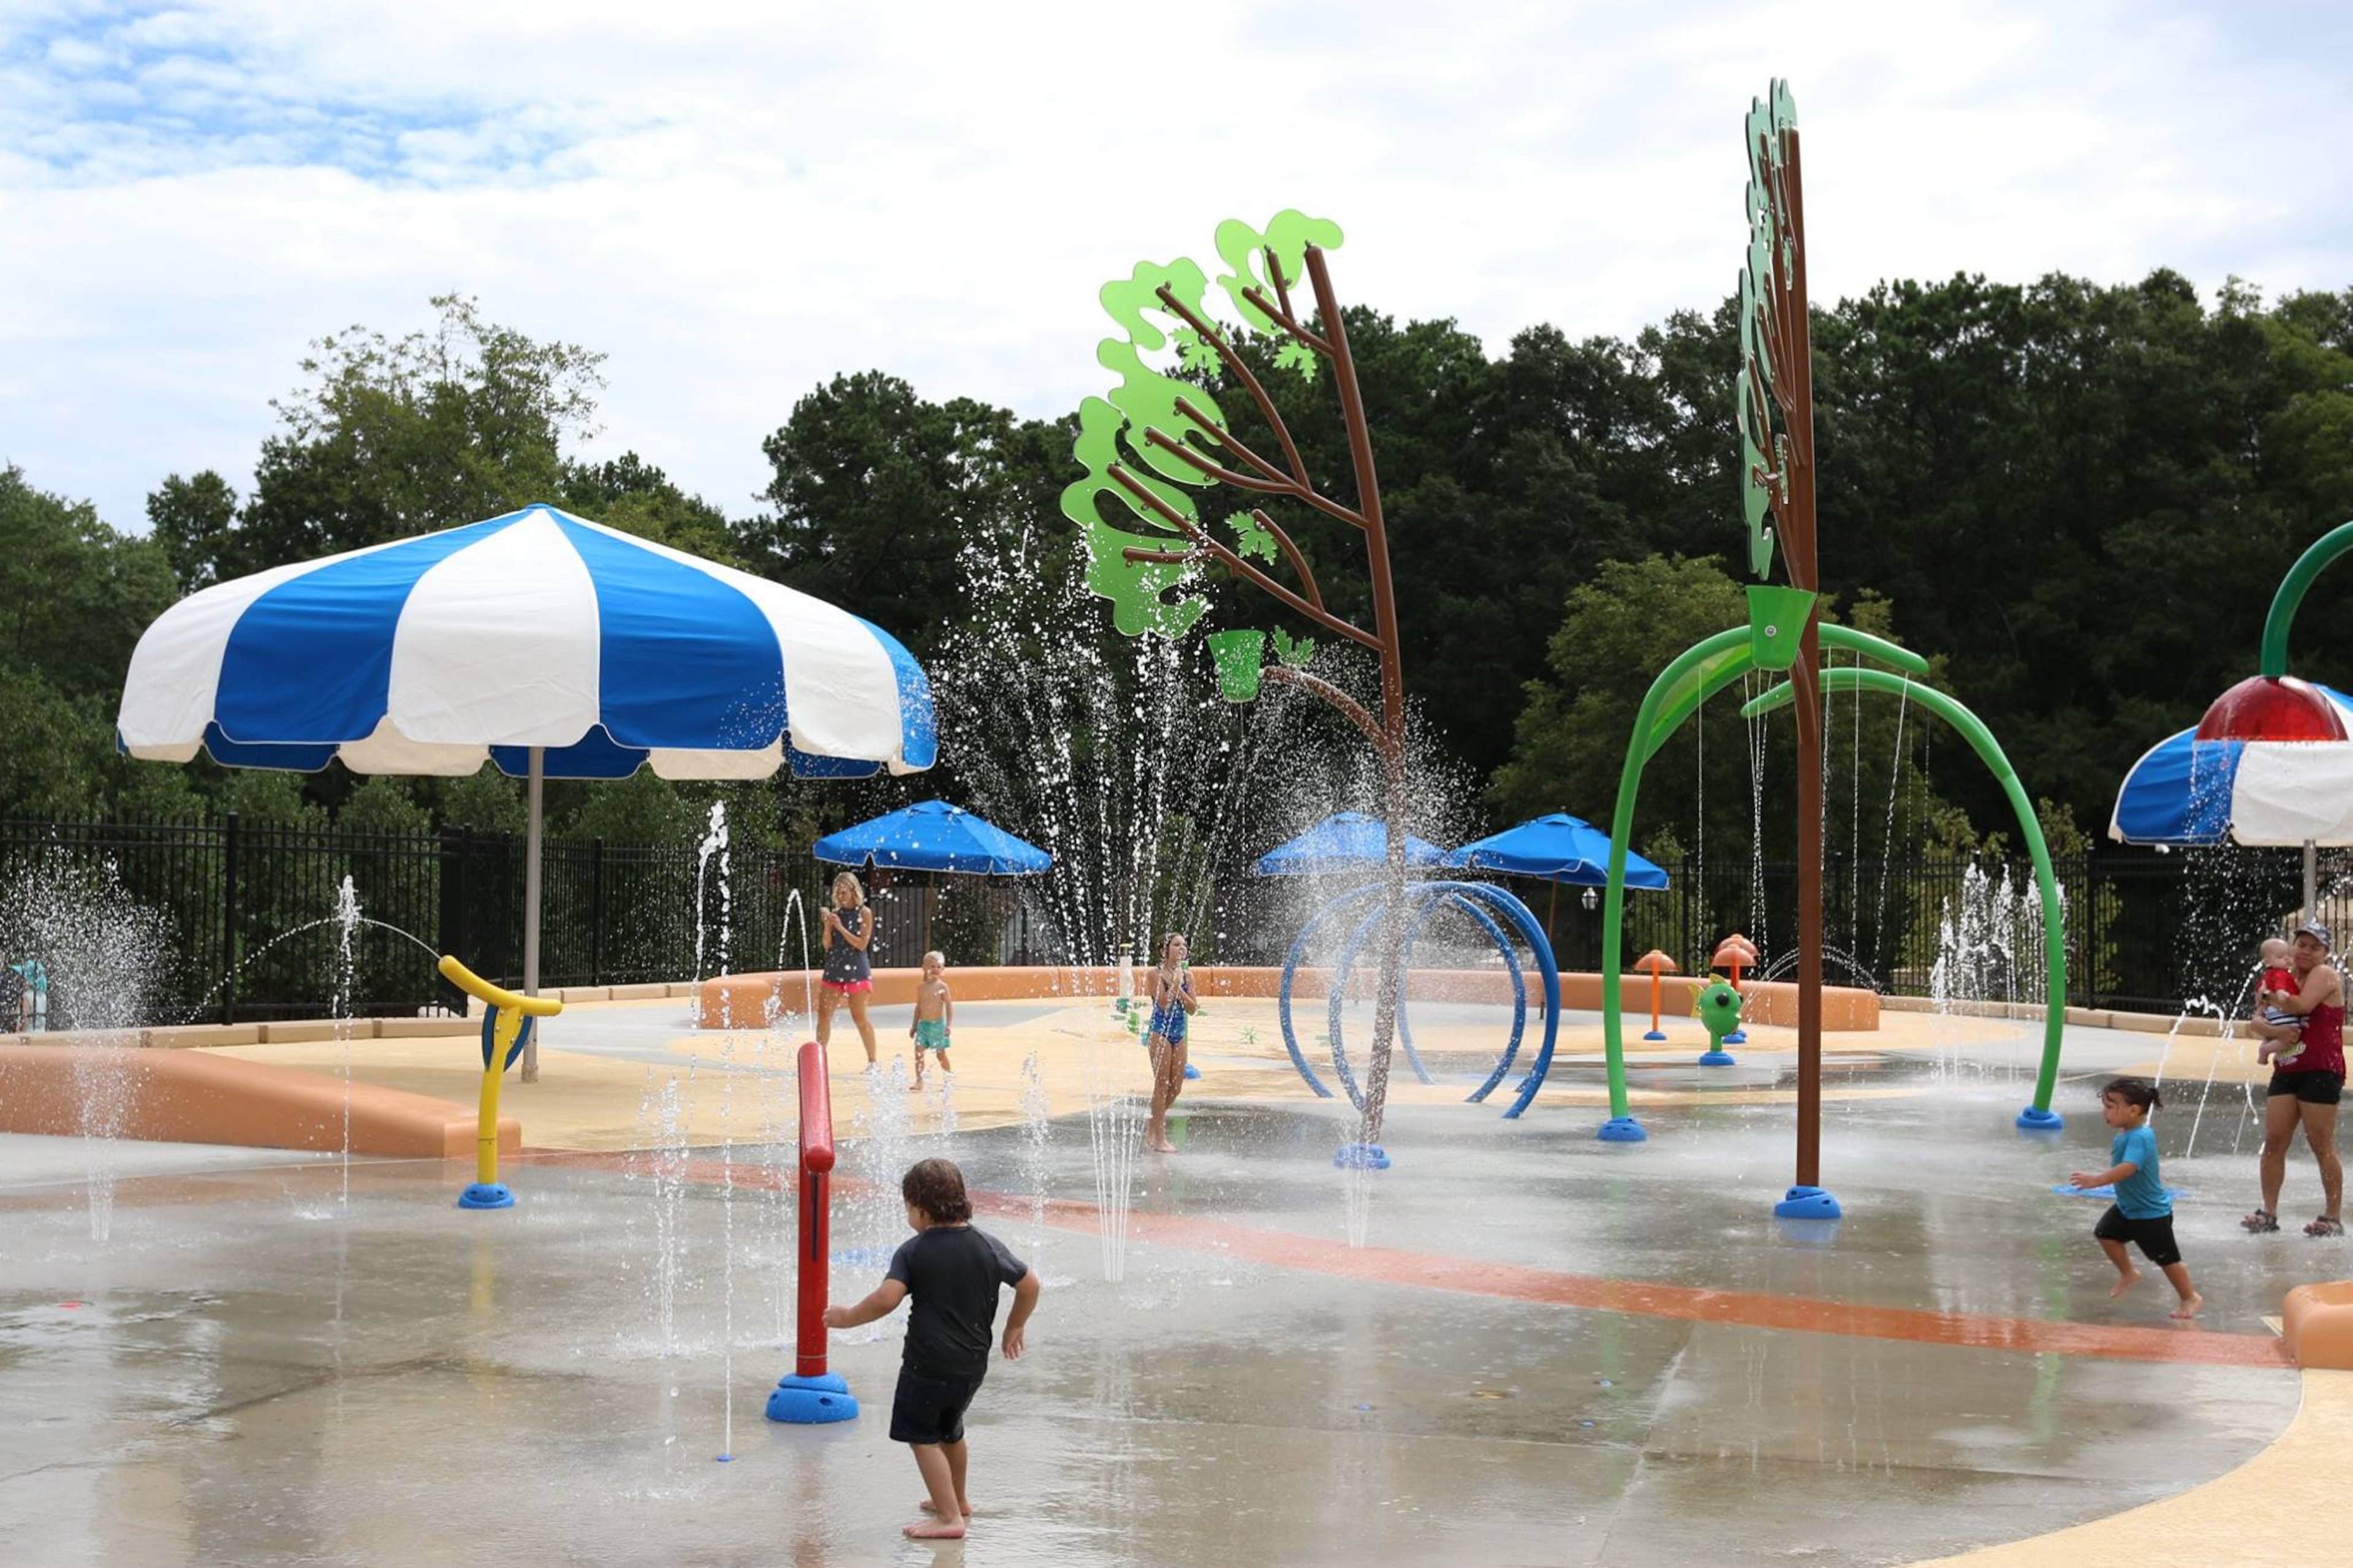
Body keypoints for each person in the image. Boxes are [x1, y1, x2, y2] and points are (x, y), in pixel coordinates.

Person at [823, 1157, 1040, 1541]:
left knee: (921, 1436)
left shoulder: (914, 1251)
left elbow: (887, 1299)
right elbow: (1030, 1284)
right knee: (950, 1432)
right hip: (971, 1366)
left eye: (908, 1209)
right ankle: (958, 1500)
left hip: (927, 1365)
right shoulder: (988, 1245)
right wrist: (1015, 1324)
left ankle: (949, 1517)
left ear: (920, 1210)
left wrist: (846, 1317)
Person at [2070, 1076, 2201, 1319]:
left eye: (2110, 1107)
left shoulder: (2141, 1136)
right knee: (2106, 1234)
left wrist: (2097, 1180)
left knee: (2168, 1261)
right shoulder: (2126, 1133)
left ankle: (2190, 1297)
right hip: (2128, 1208)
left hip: (2151, 1213)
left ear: (2134, 1110)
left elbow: (2130, 1167)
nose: (2104, 1112)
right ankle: (2129, 1273)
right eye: (2105, 1106)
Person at [2246, 920, 2345, 1237]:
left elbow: (2302, 1005)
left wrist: (2270, 998)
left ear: (2326, 953)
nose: (2306, 951)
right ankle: (2269, 1212)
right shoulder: (2280, 978)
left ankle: (2332, 1217)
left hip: (2321, 1069)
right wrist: (2276, 1030)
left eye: (2315, 947)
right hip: (2287, 1070)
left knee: (2321, 1145)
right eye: (2301, 944)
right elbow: (2255, 1024)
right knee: (2273, 1142)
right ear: (2292, 946)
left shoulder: (2324, 975)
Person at [817, 870, 879, 1066]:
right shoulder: (835, 915)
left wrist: (841, 928)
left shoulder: (864, 913)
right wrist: (828, 926)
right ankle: (820, 1059)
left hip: (857, 971)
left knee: (859, 1017)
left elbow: (861, 944)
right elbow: (827, 945)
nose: (840, 897)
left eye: (844, 892)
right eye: (838, 893)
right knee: (824, 1015)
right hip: (834, 969)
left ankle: (873, 1061)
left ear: (854, 891)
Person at [1143, 932, 1198, 1154]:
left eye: (1183, 945)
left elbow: (1193, 1008)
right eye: (1176, 945)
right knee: (1162, 1084)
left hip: (1179, 1033)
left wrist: (1180, 986)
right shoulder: (1154, 974)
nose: (1181, 948)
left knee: (1176, 1087)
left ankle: (1152, 1121)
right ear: (1164, 951)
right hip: (1160, 1033)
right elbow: (1164, 1005)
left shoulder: (1189, 976)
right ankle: (1159, 1138)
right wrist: (1174, 985)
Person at [2254, 935, 2306, 1067]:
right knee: (2289, 1039)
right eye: (2281, 957)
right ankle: (2265, 1050)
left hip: (2271, 1015)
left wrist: (2262, 997)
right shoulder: (2280, 974)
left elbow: (2260, 993)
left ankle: (2265, 1048)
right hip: (2284, 1016)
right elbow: (2280, 985)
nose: (2287, 959)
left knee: (2271, 1037)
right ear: (2267, 962)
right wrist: (2281, 993)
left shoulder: (2267, 976)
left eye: (2288, 955)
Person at [909, 949, 954, 1089]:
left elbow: (948, 1006)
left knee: (940, 1054)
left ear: (943, 969)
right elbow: (918, 1007)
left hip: (938, 1026)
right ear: (924, 968)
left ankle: (948, 1079)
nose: (936, 970)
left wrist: (949, 1025)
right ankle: (919, 1081)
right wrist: (914, 1026)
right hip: (923, 1026)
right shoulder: (921, 988)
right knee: (918, 1052)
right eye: (932, 966)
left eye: (939, 967)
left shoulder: (942, 987)